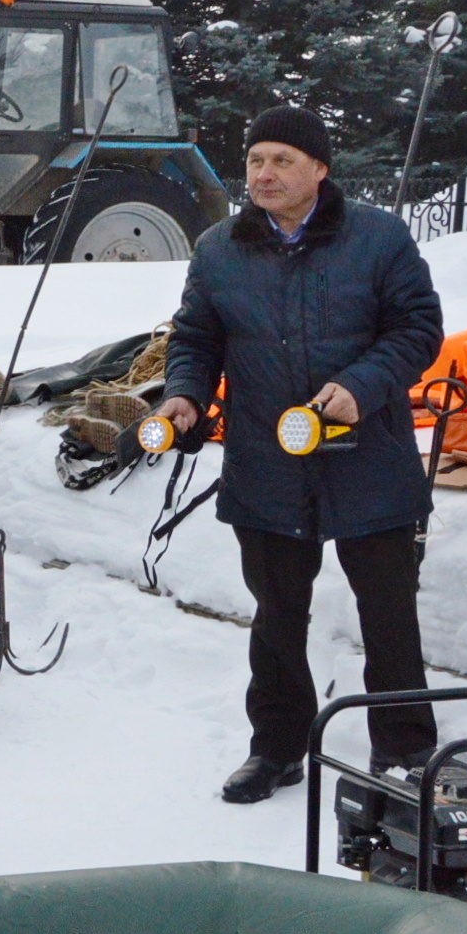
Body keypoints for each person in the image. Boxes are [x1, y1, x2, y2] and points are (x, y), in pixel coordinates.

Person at [156, 104, 446, 804]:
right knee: (276, 616)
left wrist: (360, 385)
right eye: (255, 160)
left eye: (282, 159)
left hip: (366, 456)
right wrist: (184, 396)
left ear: (320, 169)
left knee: (388, 614)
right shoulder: (219, 248)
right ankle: (278, 748)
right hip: (266, 459)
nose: (265, 173)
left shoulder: (377, 237)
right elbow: (194, 338)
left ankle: (405, 753)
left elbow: (418, 328)